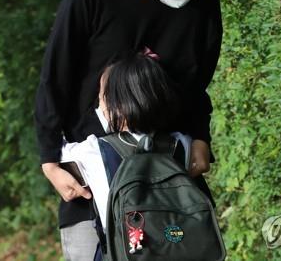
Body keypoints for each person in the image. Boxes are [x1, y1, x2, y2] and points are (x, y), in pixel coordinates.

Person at [34, 0, 231, 260]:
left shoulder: (204, 6)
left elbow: (198, 83)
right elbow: (56, 78)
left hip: (169, 170)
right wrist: (50, 159)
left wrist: (201, 137)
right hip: (93, 168)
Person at [60, 50, 192, 234]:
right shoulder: (181, 143)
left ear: (119, 106)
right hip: (176, 241)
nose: (99, 108)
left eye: (102, 99)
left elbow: (56, 149)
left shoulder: (94, 151)